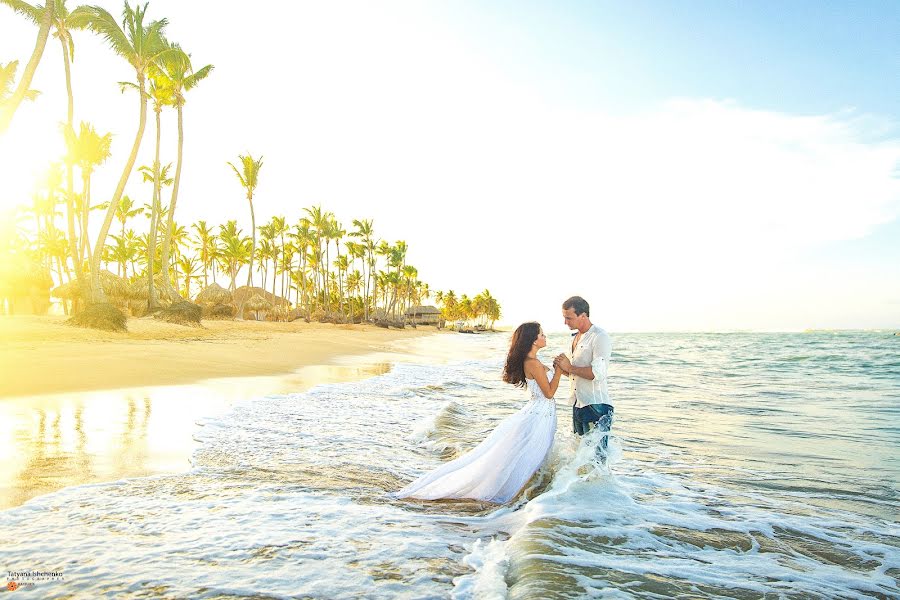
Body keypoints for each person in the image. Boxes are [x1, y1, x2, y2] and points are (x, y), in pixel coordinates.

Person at [395, 322, 562, 503]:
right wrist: (559, 371)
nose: (545, 337)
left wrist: (558, 368)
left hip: (540, 413)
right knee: (531, 457)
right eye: (542, 334)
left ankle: (529, 494)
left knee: (526, 455)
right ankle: (521, 497)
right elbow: (549, 393)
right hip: (540, 415)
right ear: (533, 340)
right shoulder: (533, 363)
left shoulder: (533, 362)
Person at [553, 296, 614, 455]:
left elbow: (597, 373)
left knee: (596, 459)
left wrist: (570, 367)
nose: (565, 322)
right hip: (577, 404)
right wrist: (561, 368)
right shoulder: (575, 338)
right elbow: (575, 374)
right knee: (579, 457)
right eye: (564, 317)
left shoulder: (599, 337)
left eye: (569, 318)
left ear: (583, 315)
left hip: (596, 406)